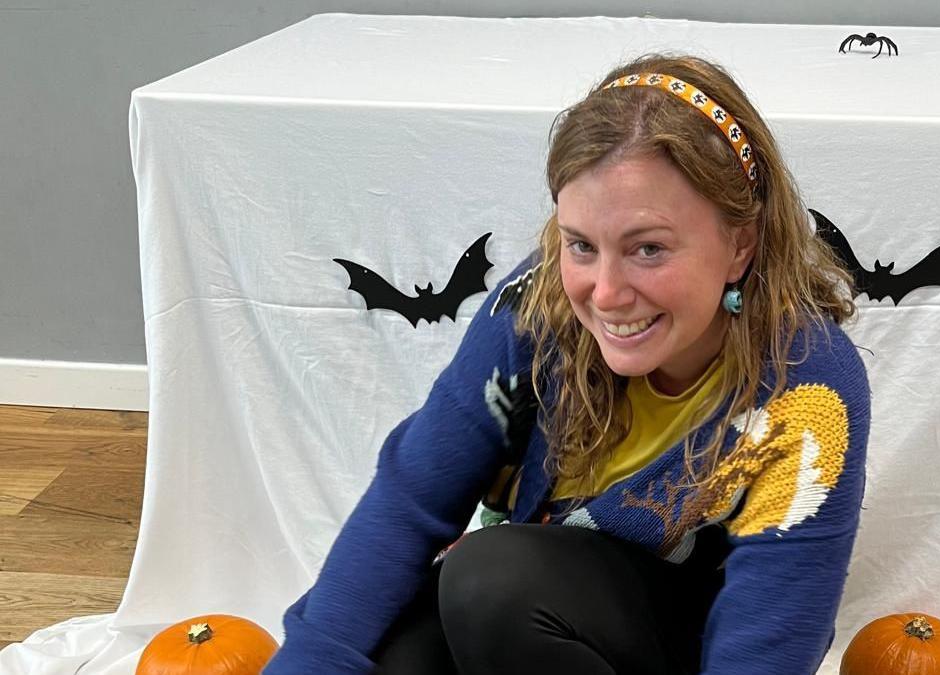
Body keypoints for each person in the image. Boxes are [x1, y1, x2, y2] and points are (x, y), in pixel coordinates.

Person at [263, 52, 871, 675]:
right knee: (402, 649)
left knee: (491, 579)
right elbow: (412, 499)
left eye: (649, 249)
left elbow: (771, 632)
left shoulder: (810, 385)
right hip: (539, 616)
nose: (605, 293)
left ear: (740, 244)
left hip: (688, 643)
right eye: (581, 245)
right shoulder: (534, 306)